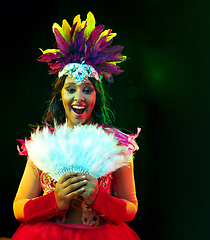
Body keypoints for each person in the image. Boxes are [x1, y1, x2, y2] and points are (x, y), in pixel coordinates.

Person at [12, 11, 141, 240]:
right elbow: (18, 207)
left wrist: (99, 199)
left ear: (96, 96)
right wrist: (55, 201)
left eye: (87, 90)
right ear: (60, 95)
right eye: (71, 89)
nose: (79, 98)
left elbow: (131, 208)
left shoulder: (116, 146)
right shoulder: (43, 145)